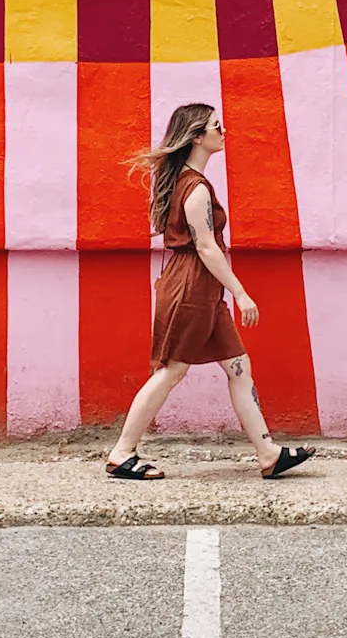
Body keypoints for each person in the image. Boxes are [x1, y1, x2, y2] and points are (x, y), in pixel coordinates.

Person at [105, 102, 316, 482]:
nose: (224, 132)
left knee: (239, 367)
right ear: (198, 137)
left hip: (201, 287)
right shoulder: (196, 188)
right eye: (217, 127)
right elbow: (206, 247)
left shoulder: (186, 181)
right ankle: (122, 453)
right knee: (171, 371)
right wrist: (241, 293)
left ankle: (268, 454)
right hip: (191, 287)